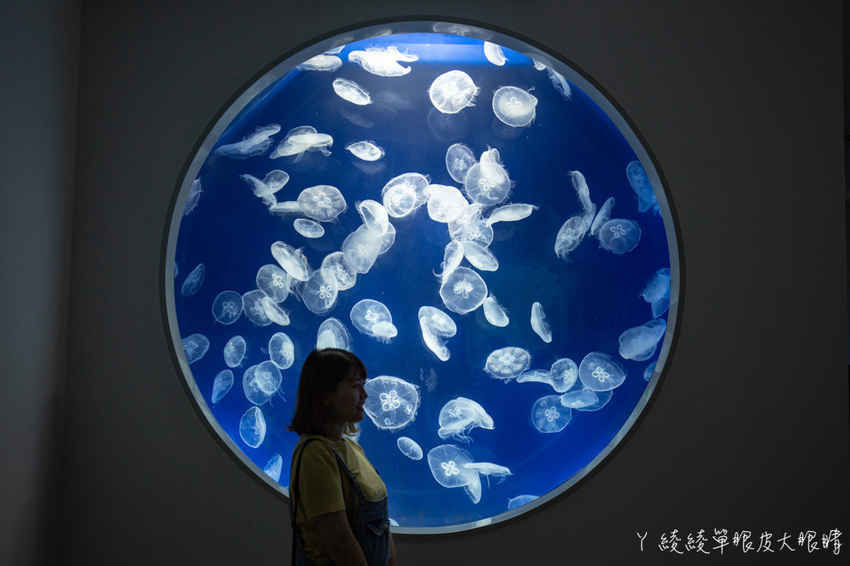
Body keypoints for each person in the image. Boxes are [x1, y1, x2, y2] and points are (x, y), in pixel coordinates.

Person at [288, 348, 397, 566]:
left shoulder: (351, 447)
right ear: (325, 395)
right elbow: (340, 542)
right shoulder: (316, 455)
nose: (365, 395)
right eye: (356, 386)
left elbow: (381, 527)